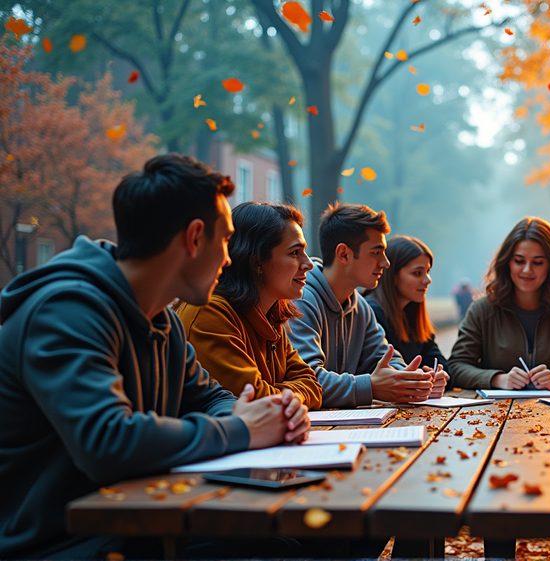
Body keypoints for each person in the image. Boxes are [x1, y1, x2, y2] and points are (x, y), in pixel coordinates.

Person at [0, 155, 309, 559]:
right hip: (63, 545)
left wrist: (262, 413)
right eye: (224, 242)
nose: (228, 259)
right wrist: (243, 429)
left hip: (138, 524)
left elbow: (210, 397)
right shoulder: (66, 312)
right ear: (194, 238)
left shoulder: (161, 319)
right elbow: (108, 441)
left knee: (291, 542)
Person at [177, 202, 323, 410]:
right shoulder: (209, 313)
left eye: (304, 252)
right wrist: (291, 393)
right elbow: (254, 401)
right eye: (294, 253)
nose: (309, 264)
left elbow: (314, 387)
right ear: (257, 262)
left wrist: (275, 392)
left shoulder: (271, 315)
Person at [287, 203, 432, 407]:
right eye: (376, 253)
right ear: (344, 254)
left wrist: (413, 379)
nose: (385, 263)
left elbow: (385, 357)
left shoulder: (360, 306)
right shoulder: (302, 301)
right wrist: (370, 387)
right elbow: (307, 380)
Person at [449, 217, 550, 390]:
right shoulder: (482, 310)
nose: (527, 270)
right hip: (494, 407)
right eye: (519, 261)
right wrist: (498, 379)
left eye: (538, 262)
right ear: (507, 262)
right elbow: (456, 366)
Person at [363, 236, 448, 397]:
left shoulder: (413, 315)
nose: (428, 280)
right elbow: (377, 372)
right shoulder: (370, 313)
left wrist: (438, 377)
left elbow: (440, 363)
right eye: (417, 273)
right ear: (393, 276)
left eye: (427, 272)